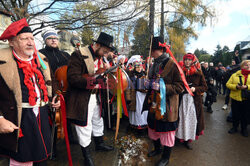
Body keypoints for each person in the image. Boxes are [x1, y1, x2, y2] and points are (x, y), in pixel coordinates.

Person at [0, 18, 60, 166]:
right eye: (24, 39)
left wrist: (55, 96)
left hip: (43, 115)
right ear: (12, 42)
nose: (30, 42)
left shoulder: (41, 59)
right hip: (19, 118)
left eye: (32, 38)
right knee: (22, 160)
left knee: (42, 158)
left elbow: (52, 81)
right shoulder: (2, 63)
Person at [66, 32, 114, 166]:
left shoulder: (100, 58)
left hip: (97, 95)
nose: (105, 54)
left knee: (98, 120)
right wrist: (93, 80)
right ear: (97, 45)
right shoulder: (78, 54)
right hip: (82, 97)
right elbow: (73, 78)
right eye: (104, 51)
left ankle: (99, 144)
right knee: (84, 126)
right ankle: (86, 155)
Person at [143, 36, 184, 166]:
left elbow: (180, 86)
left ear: (159, 50)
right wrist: (147, 84)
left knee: (167, 132)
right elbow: (151, 82)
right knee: (153, 128)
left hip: (167, 105)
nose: (150, 53)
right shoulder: (154, 63)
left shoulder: (172, 64)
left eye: (152, 51)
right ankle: (157, 149)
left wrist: (162, 87)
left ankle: (165, 157)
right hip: (153, 103)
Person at [39, 29, 77, 159]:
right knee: (53, 119)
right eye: (50, 38)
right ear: (45, 40)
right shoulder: (41, 54)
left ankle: (70, 136)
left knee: (68, 115)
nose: (53, 40)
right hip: (51, 90)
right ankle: (52, 148)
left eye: (55, 38)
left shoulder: (65, 55)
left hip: (67, 90)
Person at [177, 53, 207, 149]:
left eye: (189, 60)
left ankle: (188, 140)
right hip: (182, 100)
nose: (187, 62)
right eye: (186, 59)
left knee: (191, 120)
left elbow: (204, 87)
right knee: (181, 119)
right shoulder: (180, 72)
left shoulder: (198, 73)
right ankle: (181, 137)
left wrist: (195, 89)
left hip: (194, 101)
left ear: (193, 61)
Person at [227, 60, 250, 137]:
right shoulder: (235, 75)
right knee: (235, 114)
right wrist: (236, 86)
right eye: (246, 65)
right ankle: (235, 127)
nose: (248, 66)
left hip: (247, 99)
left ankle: (244, 129)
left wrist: (247, 87)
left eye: (249, 65)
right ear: (242, 66)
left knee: (245, 115)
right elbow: (228, 84)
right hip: (236, 98)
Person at [126, 58, 148, 133]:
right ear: (135, 68)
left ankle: (144, 125)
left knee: (143, 111)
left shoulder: (145, 74)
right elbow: (128, 87)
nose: (139, 69)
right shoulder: (132, 76)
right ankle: (135, 125)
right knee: (136, 111)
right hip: (135, 96)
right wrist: (128, 98)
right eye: (137, 67)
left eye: (140, 67)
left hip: (143, 96)